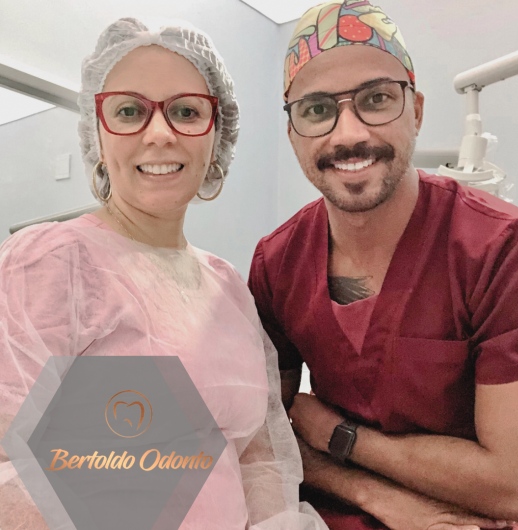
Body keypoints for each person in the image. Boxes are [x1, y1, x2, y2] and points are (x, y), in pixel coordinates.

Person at [0, 17, 328, 530]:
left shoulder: (226, 287)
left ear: (216, 136)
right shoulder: (49, 264)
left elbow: (258, 458)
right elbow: (9, 472)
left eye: (186, 111)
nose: (159, 134)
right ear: (98, 133)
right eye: (129, 111)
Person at [248, 2, 518, 529]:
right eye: (316, 109)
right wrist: (381, 498)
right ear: (292, 133)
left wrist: (341, 437)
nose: (347, 134)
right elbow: (270, 437)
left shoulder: (503, 250)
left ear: (416, 111)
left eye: (376, 99)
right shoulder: (276, 262)